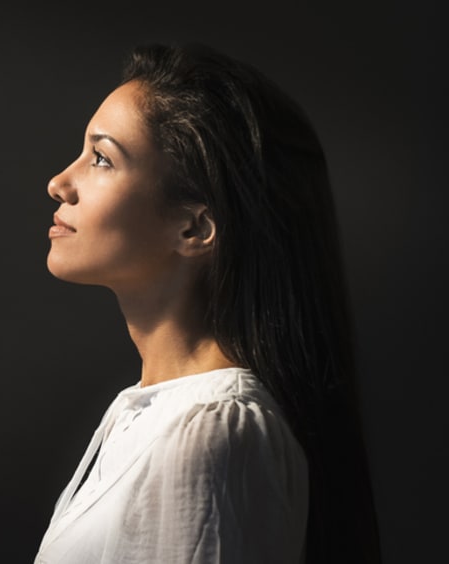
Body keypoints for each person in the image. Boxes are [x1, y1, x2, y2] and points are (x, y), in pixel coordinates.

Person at [34, 43, 381, 564]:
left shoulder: (211, 433)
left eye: (102, 158)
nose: (59, 183)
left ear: (194, 226)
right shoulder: (149, 416)